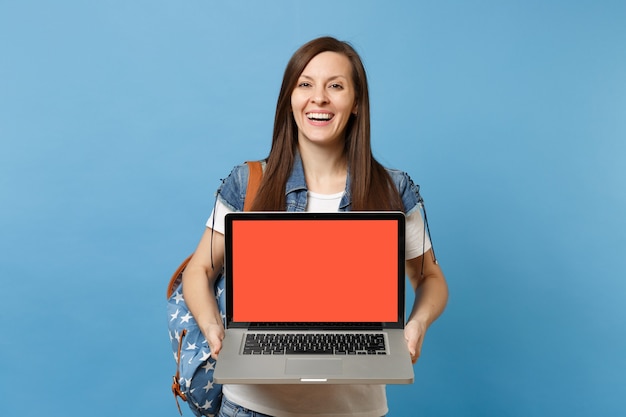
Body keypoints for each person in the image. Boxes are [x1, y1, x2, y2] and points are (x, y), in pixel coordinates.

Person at [182, 36, 448, 417]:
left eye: (335, 86)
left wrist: (417, 324)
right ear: (290, 99)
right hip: (250, 408)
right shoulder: (248, 183)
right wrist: (212, 328)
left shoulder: (394, 189)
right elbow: (200, 268)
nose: (318, 98)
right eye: (305, 84)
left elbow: (430, 278)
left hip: (354, 411)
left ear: (356, 103)